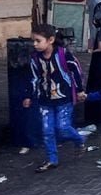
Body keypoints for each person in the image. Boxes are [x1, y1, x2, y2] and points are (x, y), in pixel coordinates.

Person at [24, 24, 86, 173]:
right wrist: (28, 96)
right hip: (45, 100)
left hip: (64, 98)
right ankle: (52, 159)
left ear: (50, 40)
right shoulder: (35, 59)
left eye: (38, 41)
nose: (35, 44)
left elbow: (76, 71)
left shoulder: (63, 54)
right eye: (34, 41)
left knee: (63, 127)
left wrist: (79, 90)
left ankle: (79, 140)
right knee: (47, 130)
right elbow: (33, 78)